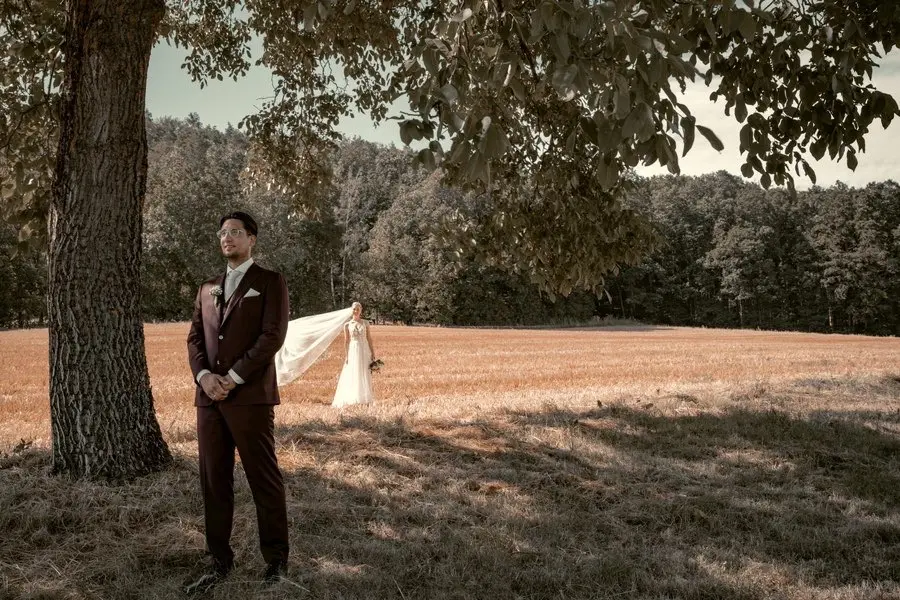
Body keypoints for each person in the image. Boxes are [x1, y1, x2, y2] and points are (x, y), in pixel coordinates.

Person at [185, 211, 290, 594]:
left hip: (249, 398)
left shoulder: (269, 282)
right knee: (214, 482)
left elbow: (272, 336)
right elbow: (194, 339)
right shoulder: (206, 287)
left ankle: (276, 560)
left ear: (252, 239)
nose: (227, 238)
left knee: (263, 478)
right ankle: (219, 560)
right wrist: (205, 377)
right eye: (223, 233)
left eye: (236, 232)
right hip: (209, 400)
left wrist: (233, 377)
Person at [332, 301, 377, 408]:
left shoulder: (365, 323)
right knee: (353, 372)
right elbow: (346, 341)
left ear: (361, 310)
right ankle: (353, 397)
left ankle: (364, 398)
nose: (356, 311)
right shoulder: (347, 325)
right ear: (351, 310)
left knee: (364, 372)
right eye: (354, 309)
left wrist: (372, 352)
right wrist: (347, 356)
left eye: (358, 309)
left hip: (364, 349)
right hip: (353, 350)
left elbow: (369, 338)